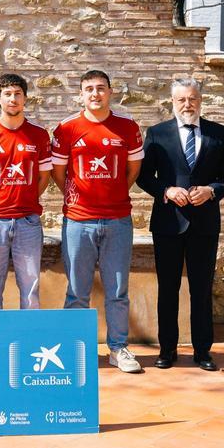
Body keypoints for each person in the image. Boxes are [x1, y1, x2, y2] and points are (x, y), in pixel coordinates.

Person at [137, 78, 224, 370]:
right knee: (168, 288)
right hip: (168, 223)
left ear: (200, 100)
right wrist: (166, 191)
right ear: (173, 102)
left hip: (205, 224)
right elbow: (144, 177)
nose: (187, 105)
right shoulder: (157, 133)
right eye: (181, 100)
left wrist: (212, 191)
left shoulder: (218, 133)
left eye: (192, 99)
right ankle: (167, 350)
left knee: (202, 288)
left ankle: (203, 351)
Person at [50, 70, 145, 373]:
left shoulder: (127, 128)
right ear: (81, 94)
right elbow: (58, 173)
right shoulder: (66, 129)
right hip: (78, 221)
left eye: (101, 88)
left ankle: (118, 348)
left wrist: (113, 195)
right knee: (77, 290)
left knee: (117, 290)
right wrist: (79, 196)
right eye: (89, 89)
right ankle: (74, 348)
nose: (95, 94)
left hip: (118, 219)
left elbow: (133, 170)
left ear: (110, 92)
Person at [0, 73, 52, 309]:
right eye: (7, 94)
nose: (13, 99)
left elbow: (44, 175)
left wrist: (28, 199)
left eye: (17, 94)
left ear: (25, 98)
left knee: (30, 291)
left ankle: (28, 341)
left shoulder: (39, 134)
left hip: (28, 220)